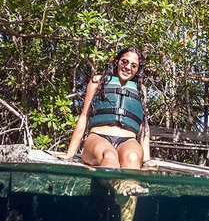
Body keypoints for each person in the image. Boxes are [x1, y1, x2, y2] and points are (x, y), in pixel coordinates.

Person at [59, 47, 154, 175]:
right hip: (98, 138)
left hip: (128, 141)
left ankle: (128, 190)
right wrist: (69, 153)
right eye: (124, 62)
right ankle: (122, 186)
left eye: (134, 65)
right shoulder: (97, 81)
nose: (128, 68)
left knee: (132, 157)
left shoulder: (140, 89)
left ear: (137, 70)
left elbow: (143, 126)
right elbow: (84, 117)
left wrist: (146, 160)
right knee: (109, 155)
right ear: (117, 61)